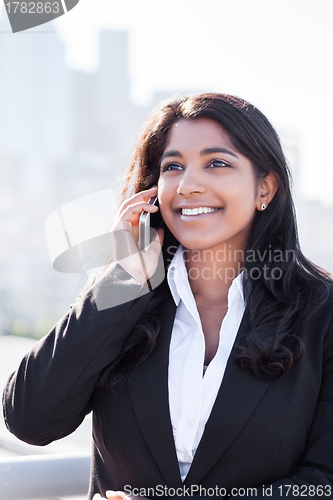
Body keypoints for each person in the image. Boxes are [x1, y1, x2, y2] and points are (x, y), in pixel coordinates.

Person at [2, 93, 333, 500]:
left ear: (264, 187)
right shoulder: (124, 297)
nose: (188, 185)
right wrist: (123, 280)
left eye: (217, 163)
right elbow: (30, 420)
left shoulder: (322, 313)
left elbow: (325, 480)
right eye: (173, 166)